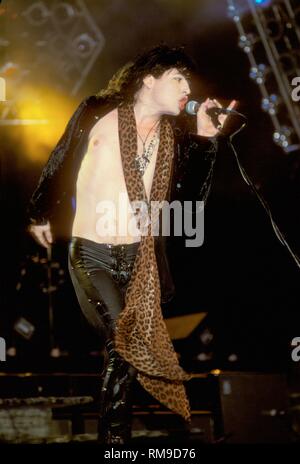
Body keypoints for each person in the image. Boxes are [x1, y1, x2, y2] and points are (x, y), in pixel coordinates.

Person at [28, 44, 235, 443]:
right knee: (124, 342)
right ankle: (115, 443)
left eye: (188, 80)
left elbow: (190, 204)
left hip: (139, 260)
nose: (186, 87)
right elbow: (59, 158)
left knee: (122, 352)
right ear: (149, 80)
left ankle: (113, 441)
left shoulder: (174, 136)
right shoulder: (95, 111)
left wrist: (207, 141)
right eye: (178, 78)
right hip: (93, 252)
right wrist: (39, 212)